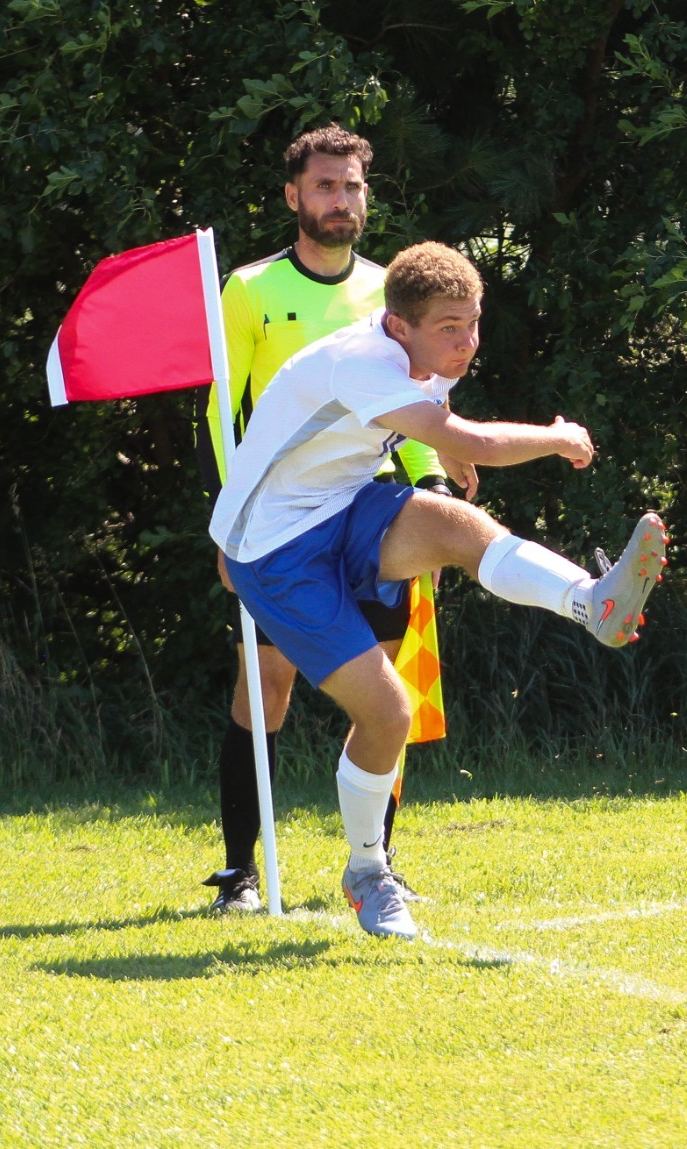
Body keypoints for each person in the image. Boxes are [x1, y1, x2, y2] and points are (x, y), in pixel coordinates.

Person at [211, 241, 669, 939]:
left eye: (474, 322)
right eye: (449, 328)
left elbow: (438, 404)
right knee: (391, 714)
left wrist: (445, 439)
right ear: (400, 326)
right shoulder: (363, 362)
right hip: (270, 552)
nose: (467, 342)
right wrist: (556, 436)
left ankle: (594, 601)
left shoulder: (418, 357)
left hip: (338, 506)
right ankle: (367, 871)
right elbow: (474, 439)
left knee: (457, 523)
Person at [200, 124, 450, 914]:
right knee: (264, 681)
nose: (339, 200)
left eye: (352, 187)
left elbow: (418, 407)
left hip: (370, 512)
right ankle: (241, 873)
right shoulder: (248, 290)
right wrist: (232, 519)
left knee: (385, 688)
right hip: (278, 523)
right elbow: (221, 411)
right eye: (324, 186)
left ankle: (376, 864)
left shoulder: (391, 292)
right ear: (292, 197)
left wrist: (433, 488)